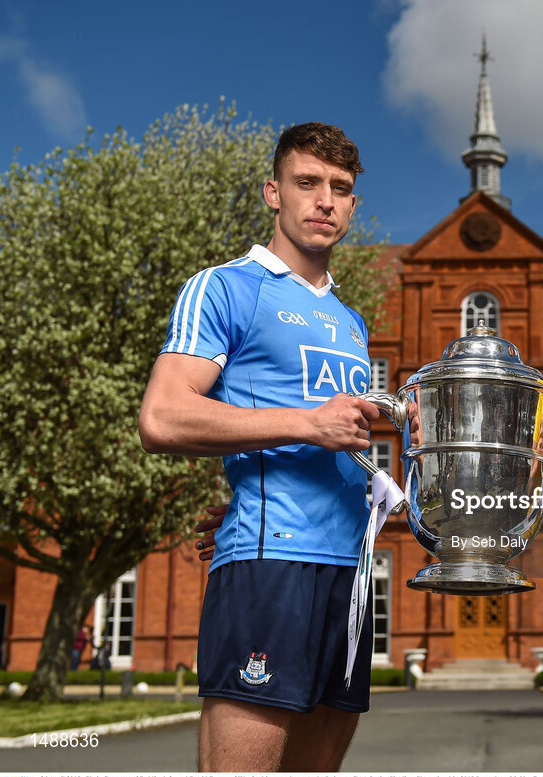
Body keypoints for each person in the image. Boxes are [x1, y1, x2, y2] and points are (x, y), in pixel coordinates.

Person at [139, 121, 380, 772]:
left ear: (353, 205)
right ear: (274, 193)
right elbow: (163, 415)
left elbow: (330, 440)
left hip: (348, 575)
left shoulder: (351, 320)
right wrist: (307, 424)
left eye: (340, 188)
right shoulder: (225, 286)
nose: (324, 200)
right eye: (307, 183)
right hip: (270, 567)